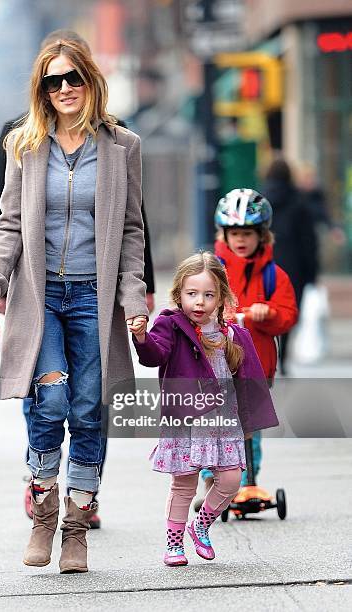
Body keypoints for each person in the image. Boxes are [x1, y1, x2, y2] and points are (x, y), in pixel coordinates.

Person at [0, 38, 148, 573]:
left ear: (90, 80)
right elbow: (8, 223)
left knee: (90, 408)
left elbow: (131, 230)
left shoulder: (123, 146)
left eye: (72, 77)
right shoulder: (23, 144)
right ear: (42, 90)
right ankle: (43, 517)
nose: (64, 88)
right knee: (50, 404)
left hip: (93, 299)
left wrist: (134, 296)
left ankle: (77, 531)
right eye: (53, 81)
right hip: (41, 295)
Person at [131, 252, 278, 566]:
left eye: (208, 295)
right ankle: (173, 545)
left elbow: (249, 381)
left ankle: (200, 526)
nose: (199, 302)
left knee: (230, 481)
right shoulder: (171, 325)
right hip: (186, 419)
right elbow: (154, 355)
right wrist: (142, 337)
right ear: (179, 294)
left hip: (224, 423)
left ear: (222, 297)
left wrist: (250, 421)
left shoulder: (234, 335)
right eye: (191, 294)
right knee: (184, 483)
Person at [191, 189, 298, 504]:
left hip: (257, 367)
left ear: (261, 235)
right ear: (223, 234)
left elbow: (288, 315)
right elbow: (190, 306)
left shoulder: (272, 276)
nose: (241, 240)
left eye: (248, 234)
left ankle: (247, 481)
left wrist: (269, 314)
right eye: (235, 233)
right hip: (213, 365)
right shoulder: (209, 273)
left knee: (250, 424)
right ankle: (212, 478)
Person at [262, 158, 318, 373]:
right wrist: (312, 272)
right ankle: (283, 357)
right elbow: (309, 241)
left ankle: (267, 355)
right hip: (294, 267)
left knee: (264, 310)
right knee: (287, 312)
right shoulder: (300, 203)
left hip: (265, 265)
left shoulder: (260, 200)